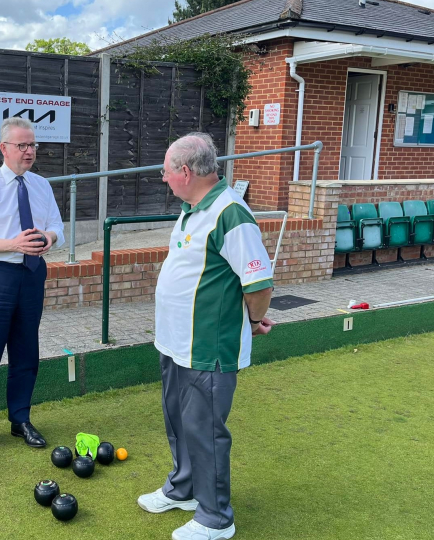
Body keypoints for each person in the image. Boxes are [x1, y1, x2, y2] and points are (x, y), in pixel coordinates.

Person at [137, 133, 275, 540]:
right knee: (178, 421)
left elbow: (259, 284)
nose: (163, 178)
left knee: (205, 430)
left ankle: (217, 518)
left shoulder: (232, 213)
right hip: (174, 343)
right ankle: (184, 489)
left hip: (208, 348)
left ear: (184, 171)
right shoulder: (192, 208)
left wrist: (252, 321)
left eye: (165, 170)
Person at [0, 117, 65, 458]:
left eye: (33, 145)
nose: (29, 151)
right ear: (4, 148)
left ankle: (20, 419)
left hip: (32, 275)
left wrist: (47, 238)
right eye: (22, 145)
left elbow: (57, 228)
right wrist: (14, 244)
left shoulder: (41, 185)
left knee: (26, 352)